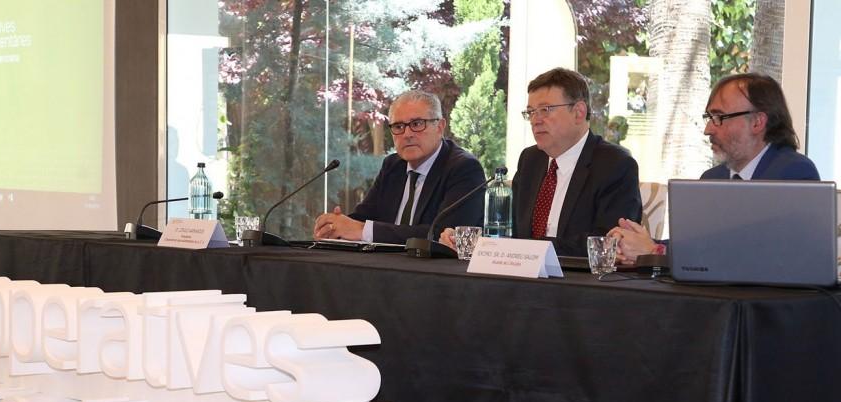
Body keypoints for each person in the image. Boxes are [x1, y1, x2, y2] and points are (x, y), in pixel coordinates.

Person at [610, 73, 821, 263]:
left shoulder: (793, 173)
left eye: (719, 117)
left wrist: (654, 251)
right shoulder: (713, 177)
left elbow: (750, 252)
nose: (708, 129)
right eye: (709, 118)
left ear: (757, 122)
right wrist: (640, 243)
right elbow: (696, 245)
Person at [442, 67, 642, 256]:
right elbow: (508, 228)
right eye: (531, 112)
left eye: (545, 110)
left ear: (578, 112)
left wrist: (532, 248)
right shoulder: (531, 160)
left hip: (577, 277)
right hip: (521, 274)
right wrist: (468, 238)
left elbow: (609, 241)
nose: (535, 120)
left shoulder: (615, 164)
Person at [313, 90, 485, 244]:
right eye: (398, 126)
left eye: (417, 124)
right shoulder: (393, 165)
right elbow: (363, 218)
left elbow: (444, 235)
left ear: (440, 127)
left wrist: (360, 230)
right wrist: (336, 226)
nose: (407, 134)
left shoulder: (464, 168)